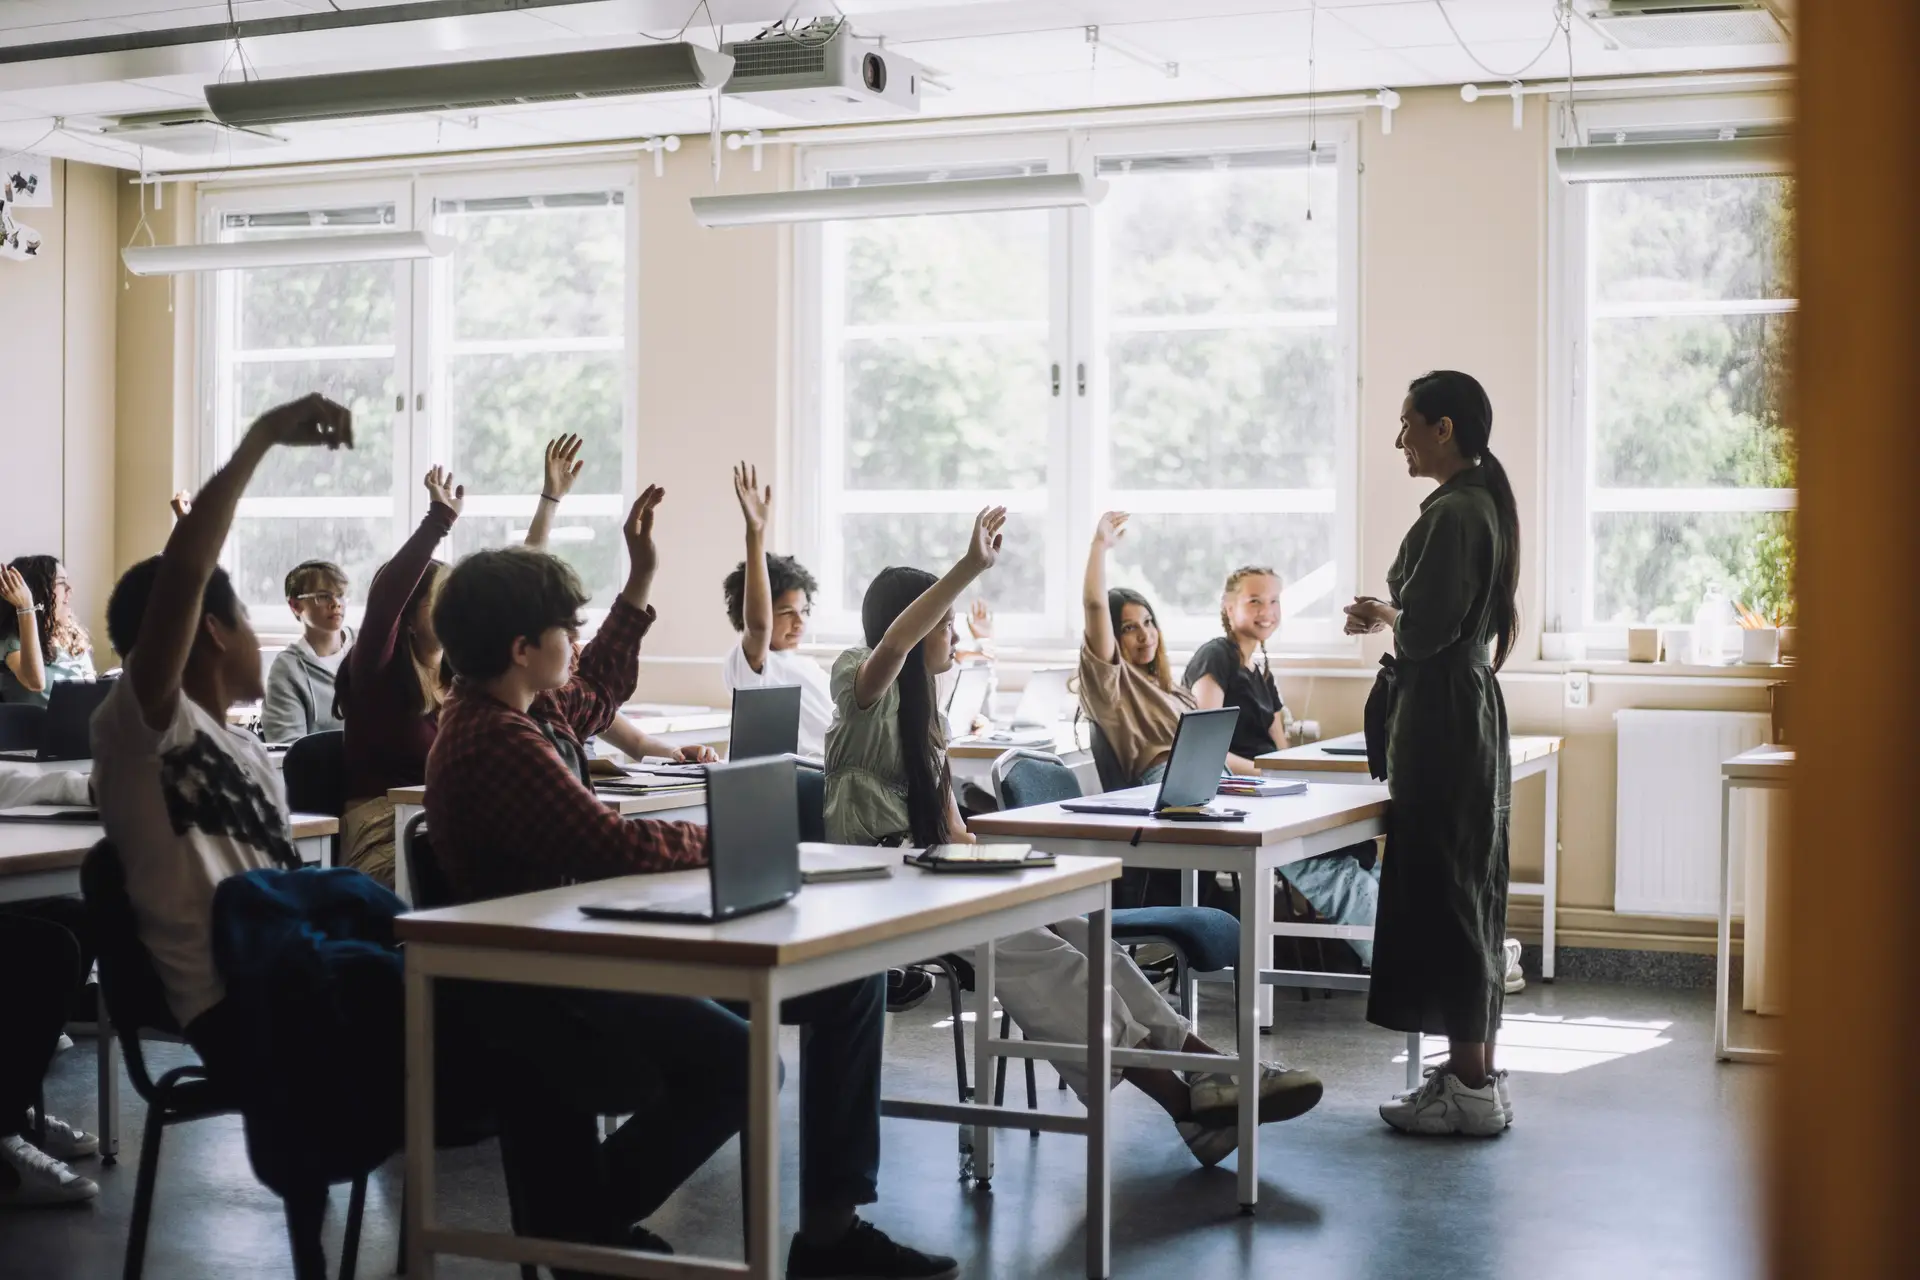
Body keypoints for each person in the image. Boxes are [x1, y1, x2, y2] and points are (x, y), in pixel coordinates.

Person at [425, 491, 958, 1280]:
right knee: (742, 1063)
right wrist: (720, 844)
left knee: (849, 986)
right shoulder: (492, 739)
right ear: (521, 647)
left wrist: (640, 577)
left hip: (599, 947)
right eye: (565, 630)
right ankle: (587, 1218)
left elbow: (597, 692)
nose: (577, 640)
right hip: (549, 986)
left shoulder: (530, 706)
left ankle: (830, 1232)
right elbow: (603, 843)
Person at [826, 510, 1321, 1169]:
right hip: (878, 889)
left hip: (932, 874)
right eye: (939, 621)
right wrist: (970, 567)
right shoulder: (859, 676)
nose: (950, 630)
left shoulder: (928, 718)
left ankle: (1211, 1072)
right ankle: (1189, 1100)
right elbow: (892, 648)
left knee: (1092, 935)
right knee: (1049, 963)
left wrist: (1006, 865)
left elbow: (949, 830)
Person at [91, 393, 350, 1085]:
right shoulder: (145, 727)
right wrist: (260, 439)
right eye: (244, 617)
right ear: (213, 629)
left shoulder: (251, 755)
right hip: (237, 1004)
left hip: (295, 969)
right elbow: (184, 578)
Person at [1344, 370, 1519, 1137]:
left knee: (1447, 892)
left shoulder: (1456, 513)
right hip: (1461, 711)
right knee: (1462, 887)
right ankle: (1469, 1071)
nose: (1400, 439)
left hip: (1443, 718)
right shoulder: (1480, 503)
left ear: (1444, 427)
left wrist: (1386, 612)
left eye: (1409, 422)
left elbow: (1424, 631)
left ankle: (1471, 1085)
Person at [1183, 558, 1380, 965]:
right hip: (1245, 794)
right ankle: (1401, 966)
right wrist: (1267, 775)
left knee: (1361, 848)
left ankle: (1414, 952)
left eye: (1274, 601)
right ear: (1228, 606)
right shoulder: (1215, 656)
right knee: (1332, 867)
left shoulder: (1260, 668)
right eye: (1255, 601)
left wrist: (1294, 780)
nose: (1267, 611)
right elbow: (1205, 749)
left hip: (1274, 787)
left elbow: (1283, 750)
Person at [335, 467, 462, 888]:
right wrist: (437, 522)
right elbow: (385, 602)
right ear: (407, 620)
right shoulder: (378, 672)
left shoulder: (463, 678)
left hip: (442, 825)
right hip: (384, 833)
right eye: (440, 601)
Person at [720, 462, 831, 756]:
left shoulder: (809, 669)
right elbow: (759, 627)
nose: (799, 622)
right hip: (789, 784)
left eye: (804, 611)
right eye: (786, 612)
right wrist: (755, 535)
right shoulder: (752, 665)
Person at [259, 560, 351, 744]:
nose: (336, 603)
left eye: (340, 595)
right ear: (295, 605)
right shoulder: (287, 670)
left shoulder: (366, 647)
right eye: (323, 596)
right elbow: (289, 751)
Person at [1, 556, 96, 706]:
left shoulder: (73, 638)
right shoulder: (11, 642)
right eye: (62, 583)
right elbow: (35, 682)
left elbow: (91, 694)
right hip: (41, 729)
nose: (70, 590)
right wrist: (25, 606)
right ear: (38, 592)